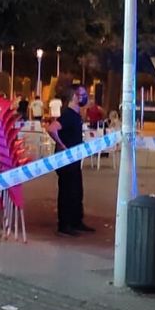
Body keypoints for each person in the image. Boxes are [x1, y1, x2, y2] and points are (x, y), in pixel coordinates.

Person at [51, 82, 95, 236]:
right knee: (67, 192)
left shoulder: (76, 115)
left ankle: (76, 221)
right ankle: (65, 224)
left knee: (77, 191)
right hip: (66, 162)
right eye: (82, 94)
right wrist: (62, 145)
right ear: (75, 96)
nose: (85, 97)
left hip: (74, 161)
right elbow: (52, 128)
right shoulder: (68, 115)